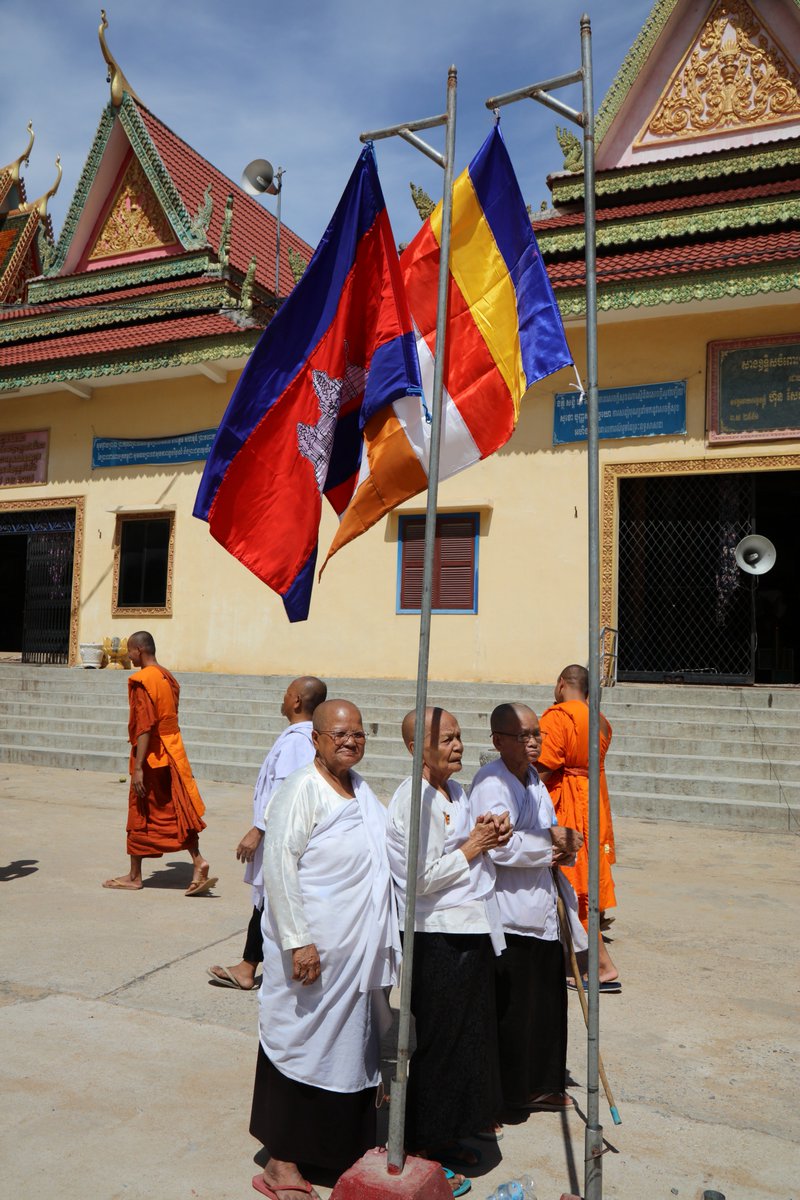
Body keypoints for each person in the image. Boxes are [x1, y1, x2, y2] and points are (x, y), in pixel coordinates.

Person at [250, 699, 399, 1196]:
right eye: (338, 734)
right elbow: (280, 868)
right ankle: (281, 1161)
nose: (349, 741)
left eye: (357, 733)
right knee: (299, 1045)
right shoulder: (301, 790)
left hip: (355, 956)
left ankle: (335, 1151)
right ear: (315, 739)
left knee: (347, 1051)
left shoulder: (361, 791)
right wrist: (298, 943)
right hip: (311, 953)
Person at [386, 706, 511, 1168]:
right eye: (447, 741)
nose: (457, 747)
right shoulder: (414, 799)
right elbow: (418, 878)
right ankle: (424, 1139)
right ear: (417, 749)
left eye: (459, 737)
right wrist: (472, 847)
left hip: (468, 927)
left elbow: (466, 844)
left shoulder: (454, 791)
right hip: (436, 934)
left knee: (467, 1037)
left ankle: (453, 1126)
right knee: (440, 1042)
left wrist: (489, 833)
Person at [470, 703, 586, 1116]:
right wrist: (551, 844)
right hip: (509, 911)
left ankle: (539, 1083)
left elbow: (545, 835)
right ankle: (505, 1094)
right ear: (498, 741)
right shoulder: (492, 783)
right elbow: (498, 846)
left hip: (541, 909)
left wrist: (560, 848)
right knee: (513, 1010)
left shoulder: (534, 778)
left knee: (545, 1004)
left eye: (537, 733)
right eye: (523, 735)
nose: (534, 741)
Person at [208, 676, 327, 990]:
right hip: (276, 832)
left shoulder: (298, 741)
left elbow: (285, 791)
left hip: (278, 835)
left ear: (297, 701)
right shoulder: (299, 737)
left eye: (287, 694)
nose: (284, 698)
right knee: (265, 900)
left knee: (271, 900)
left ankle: (251, 967)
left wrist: (258, 830)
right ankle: (248, 965)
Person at [102, 631, 215, 895]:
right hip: (172, 751)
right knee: (174, 809)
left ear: (139, 650)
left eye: (130, 651)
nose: (129, 656)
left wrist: (139, 766)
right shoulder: (166, 676)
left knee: (140, 811)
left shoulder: (143, 681)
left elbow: (144, 726)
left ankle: (134, 876)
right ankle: (198, 861)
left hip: (152, 757)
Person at [537, 664, 620, 987]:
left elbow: (542, 768)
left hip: (569, 805)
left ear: (561, 685)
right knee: (585, 880)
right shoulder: (599, 719)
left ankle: (599, 965)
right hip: (592, 801)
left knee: (572, 883)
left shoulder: (559, 717)